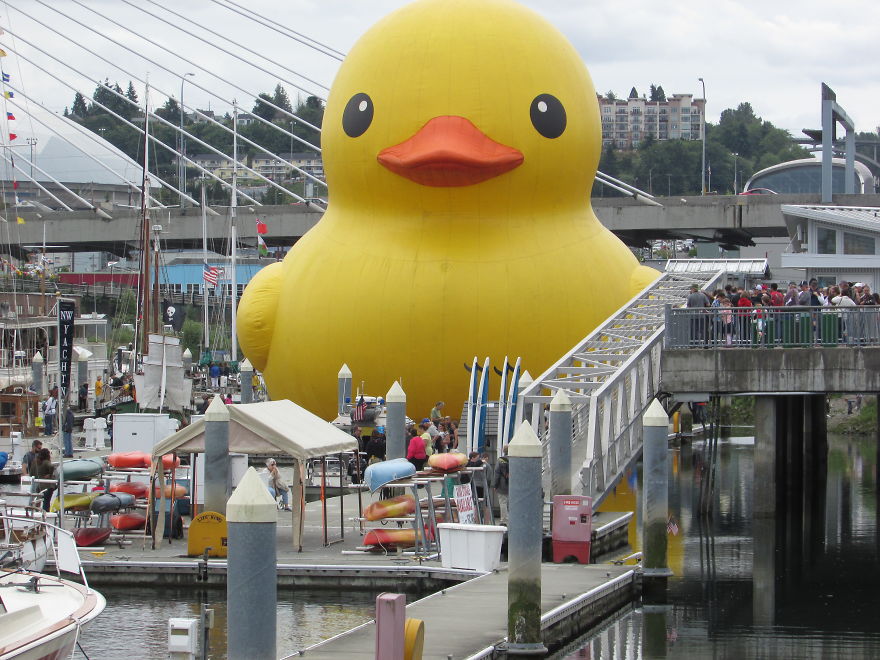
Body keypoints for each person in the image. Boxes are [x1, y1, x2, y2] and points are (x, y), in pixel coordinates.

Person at [494, 446, 509, 525]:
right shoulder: (514, 459)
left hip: (502, 484)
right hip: (513, 484)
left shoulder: (500, 460)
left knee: (503, 502)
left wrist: (495, 485)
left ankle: (504, 520)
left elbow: (497, 474)